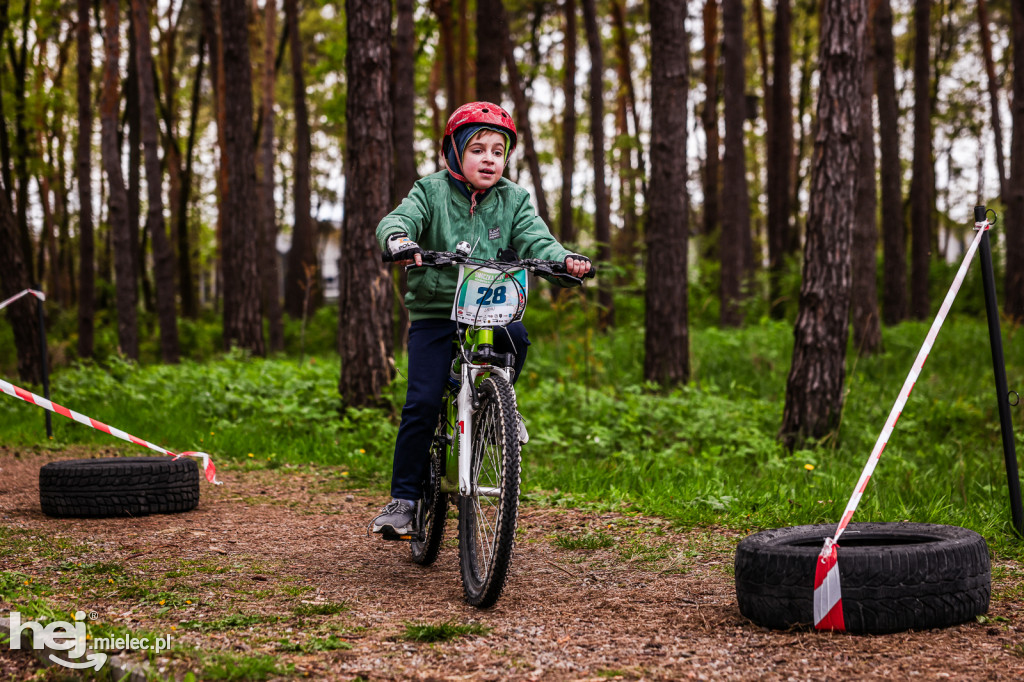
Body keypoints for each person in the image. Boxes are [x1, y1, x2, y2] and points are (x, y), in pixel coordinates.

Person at [371, 101, 592, 536]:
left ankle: (496, 405)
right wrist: (399, 239)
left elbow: (536, 238)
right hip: (436, 312)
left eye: (497, 150)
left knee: (518, 338)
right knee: (421, 402)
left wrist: (564, 260)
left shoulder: (514, 199)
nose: (488, 158)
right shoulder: (429, 191)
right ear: (453, 153)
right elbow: (399, 219)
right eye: (477, 149)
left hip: (491, 308)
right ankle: (404, 499)